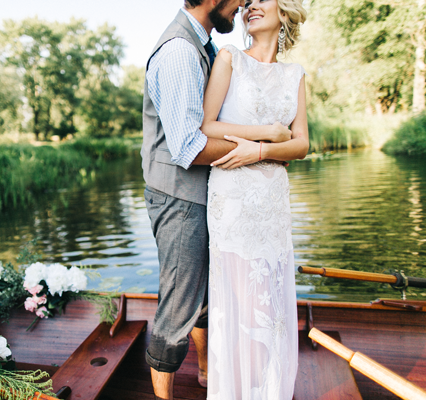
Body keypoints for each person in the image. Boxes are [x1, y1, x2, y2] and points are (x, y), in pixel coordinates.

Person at [200, 0, 309, 398]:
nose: (252, 6)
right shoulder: (229, 58)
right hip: (233, 194)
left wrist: (260, 151)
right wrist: (267, 132)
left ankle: (269, 389)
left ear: (286, 10)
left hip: (272, 196)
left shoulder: (295, 75)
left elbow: (301, 145)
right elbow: (207, 124)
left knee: (274, 303)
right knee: (241, 301)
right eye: (248, 3)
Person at [141, 1, 246, 399]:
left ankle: (204, 371)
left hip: (199, 195)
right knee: (179, 304)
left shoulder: (204, 46)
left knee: (203, 295)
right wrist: (258, 147)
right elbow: (188, 146)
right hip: (178, 198)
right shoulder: (180, 51)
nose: (241, 4)